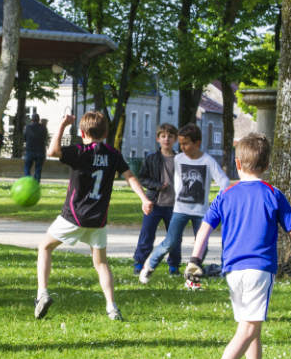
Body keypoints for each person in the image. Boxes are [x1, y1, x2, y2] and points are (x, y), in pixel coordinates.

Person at [186, 132, 291, 359]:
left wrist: (195, 260)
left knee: (249, 323)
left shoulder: (226, 193)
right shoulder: (273, 194)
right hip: (260, 268)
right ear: (266, 166)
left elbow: (205, 228)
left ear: (238, 164)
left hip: (232, 270)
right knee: (250, 326)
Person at [34, 112, 154, 321]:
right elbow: (130, 176)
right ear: (106, 132)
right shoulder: (112, 153)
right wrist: (144, 199)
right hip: (97, 220)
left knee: (45, 246)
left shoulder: (80, 151)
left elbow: (52, 151)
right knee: (101, 263)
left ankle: (42, 293)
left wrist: (62, 124)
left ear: (82, 132)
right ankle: (112, 307)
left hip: (73, 216)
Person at [139, 122, 230, 285]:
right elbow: (161, 162)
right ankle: (149, 265)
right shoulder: (178, 158)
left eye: (186, 143)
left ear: (197, 143)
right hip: (180, 209)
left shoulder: (208, 161)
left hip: (201, 211)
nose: (182, 147)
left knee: (203, 246)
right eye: (180, 144)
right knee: (171, 242)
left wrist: (220, 201)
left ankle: (192, 274)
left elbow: (224, 182)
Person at [132, 123, 178, 274]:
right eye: (163, 136)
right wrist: (158, 185)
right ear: (158, 139)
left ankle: (174, 266)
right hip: (154, 203)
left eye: (170, 136)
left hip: (174, 205)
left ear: (175, 139)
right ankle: (139, 263)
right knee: (147, 234)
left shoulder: (180, 159)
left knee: (174, 238)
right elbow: (143, 178)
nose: (167, 139)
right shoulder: (151, 158)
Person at [22, 113, 48, 181]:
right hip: (40, 150)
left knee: (27, 167)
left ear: (32, 120)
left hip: (30, 150)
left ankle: (28, 181)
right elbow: (45, 138)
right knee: (38, 169)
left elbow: (24, 138)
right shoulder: (43, 127)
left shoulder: (28, 127)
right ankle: (36, 182)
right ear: (39, 119)